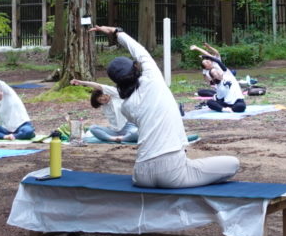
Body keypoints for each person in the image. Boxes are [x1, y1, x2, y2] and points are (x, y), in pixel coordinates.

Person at [90, 25, 239, 187]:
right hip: (172, 172)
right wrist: (117, 32)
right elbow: (140, 51)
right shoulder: (152, 79)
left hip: (141, 174)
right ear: (135, 67)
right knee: (233, 164)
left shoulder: (126, 105)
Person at [70, 79, 140, 143]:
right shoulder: (104, 106)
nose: (103, 99)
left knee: (137, 133)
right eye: (100, 100)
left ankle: (123, 138)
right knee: (93, 128)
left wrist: (81, 82)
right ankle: (112, 139)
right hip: (114, 131)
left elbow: (98, 86)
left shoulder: (115, 94)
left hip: (128, 127)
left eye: (103, 96)